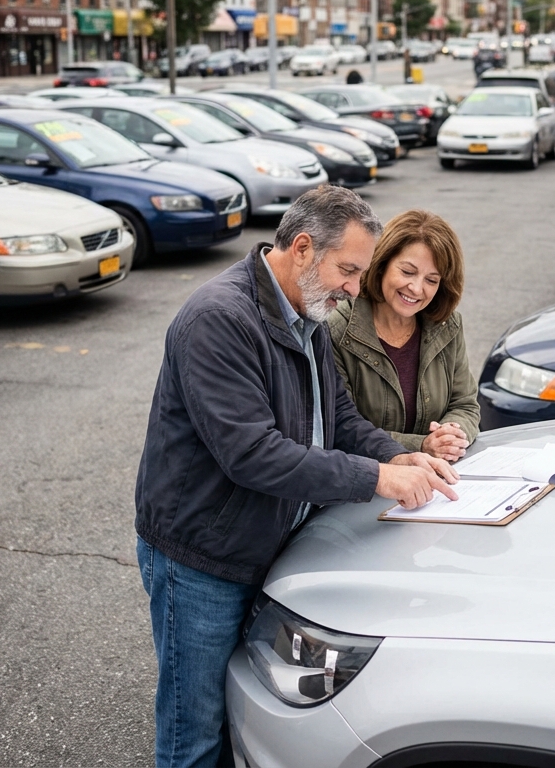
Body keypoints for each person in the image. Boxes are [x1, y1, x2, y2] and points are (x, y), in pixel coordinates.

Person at [134, 186, 458, 768]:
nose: (356, 289)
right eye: (350, 271)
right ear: (304, 248)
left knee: (246, 713)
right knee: (195, 731)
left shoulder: (307, 311)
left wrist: (396, 455)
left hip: (265, 545)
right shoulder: (219, 319)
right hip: (202, 560)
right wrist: (376, 477)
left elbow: (338, 417)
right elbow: (252, 454)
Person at [328, 210, 479, 462]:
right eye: (408, 272)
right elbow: (342, 430)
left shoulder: (447, 325)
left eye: (431, 280)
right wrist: (421, 446)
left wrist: (451, 434)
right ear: (381, 263)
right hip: (371, 485)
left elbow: (465, 404)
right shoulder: (337, 329)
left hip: (440, 481)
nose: (417, 288)